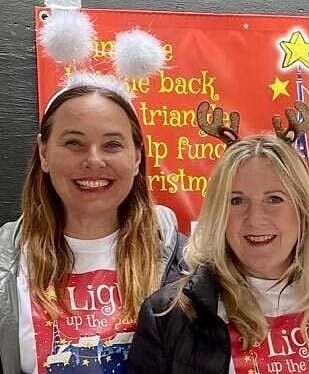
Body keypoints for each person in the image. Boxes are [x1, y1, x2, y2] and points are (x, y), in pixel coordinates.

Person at [127, 134, 309, 373]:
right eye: (236, 201)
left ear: (303, 210)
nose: (255, 218)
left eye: (274, 199)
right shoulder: (169, 315)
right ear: (218, 213)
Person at [0, 84, 183, 373]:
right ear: (44, 153)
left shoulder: (184, 264)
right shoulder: (6, 263)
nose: (94, 160)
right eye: (74, 143)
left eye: (112, 145)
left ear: (136, 157)